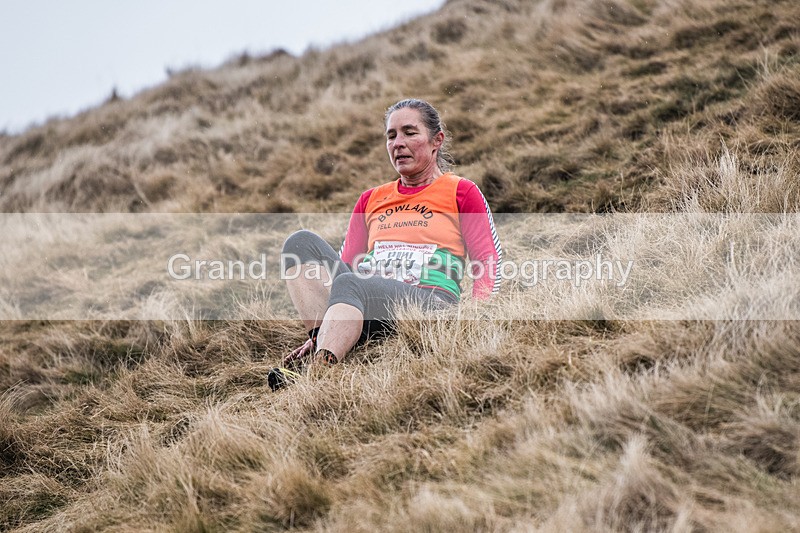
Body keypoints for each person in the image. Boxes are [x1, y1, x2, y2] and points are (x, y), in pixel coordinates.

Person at [270, 98, 502, 388]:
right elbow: (346, 266)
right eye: (391, 136)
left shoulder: (461, 191)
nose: (398, 143)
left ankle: (317, 374)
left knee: (351, 282)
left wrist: (474, 319)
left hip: (428, 305)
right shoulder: (371, 199)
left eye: (409, 133)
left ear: (436, 140)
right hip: (367, 299)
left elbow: (488, 260)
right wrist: (327, 323)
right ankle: (322, 343)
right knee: (300, 243)